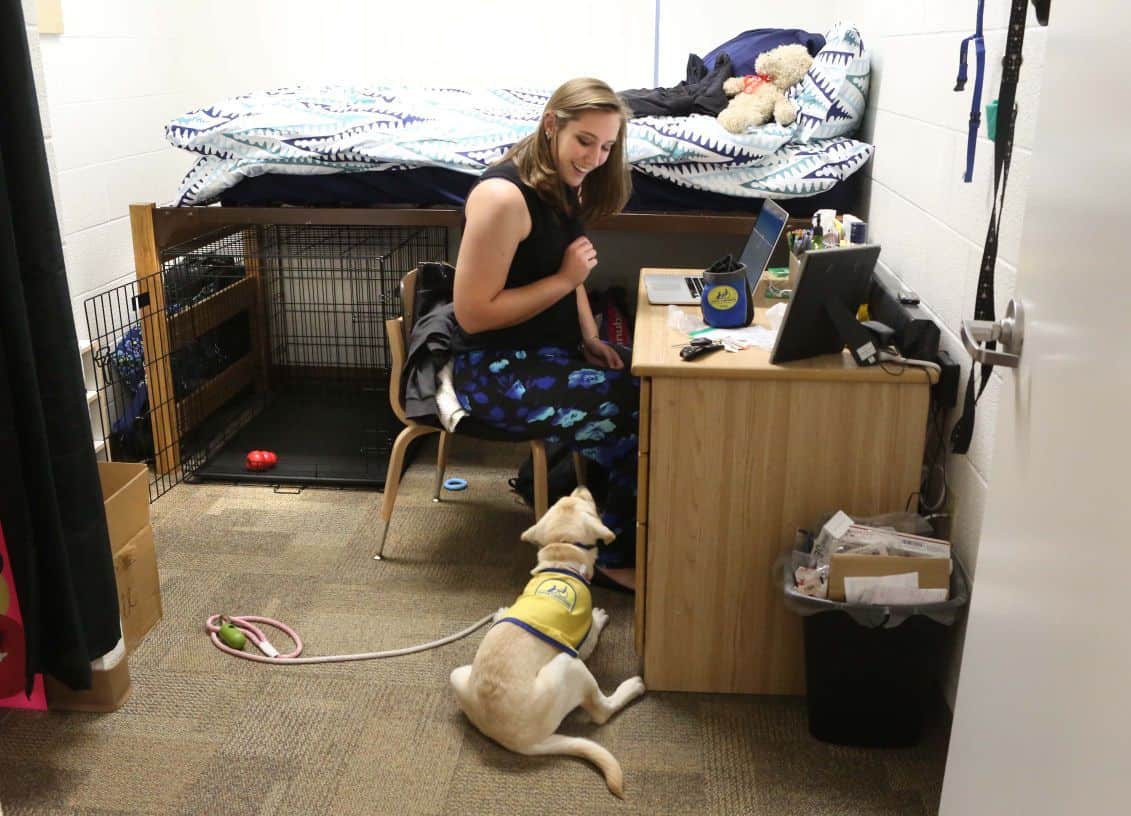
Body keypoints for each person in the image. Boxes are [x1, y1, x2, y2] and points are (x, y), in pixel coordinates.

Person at [450, 77, 638, 591]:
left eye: (606, 146)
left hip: (550, 355)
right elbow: (472, 315)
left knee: (651, 373)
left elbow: (570, 273)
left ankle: (606, 520)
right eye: (585, 141)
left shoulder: (560, 185)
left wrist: (591, 338)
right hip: (492, 372)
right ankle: (615, 556)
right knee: (637, 403)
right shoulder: (502, 199)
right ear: (551, 125)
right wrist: (562, 281)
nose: (595, 157)